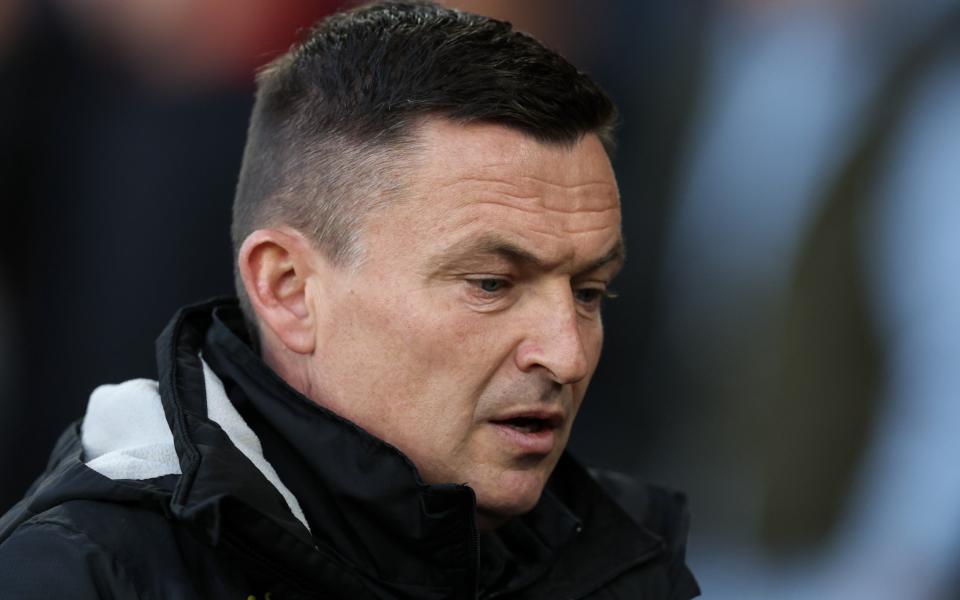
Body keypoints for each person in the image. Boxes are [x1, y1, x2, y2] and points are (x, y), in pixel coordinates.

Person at [0, 2, 699, 598]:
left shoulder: (627, 559)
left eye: (588, 291)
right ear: (288, 291)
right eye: (490, 284)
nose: (568, 354)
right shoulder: (86, 576)